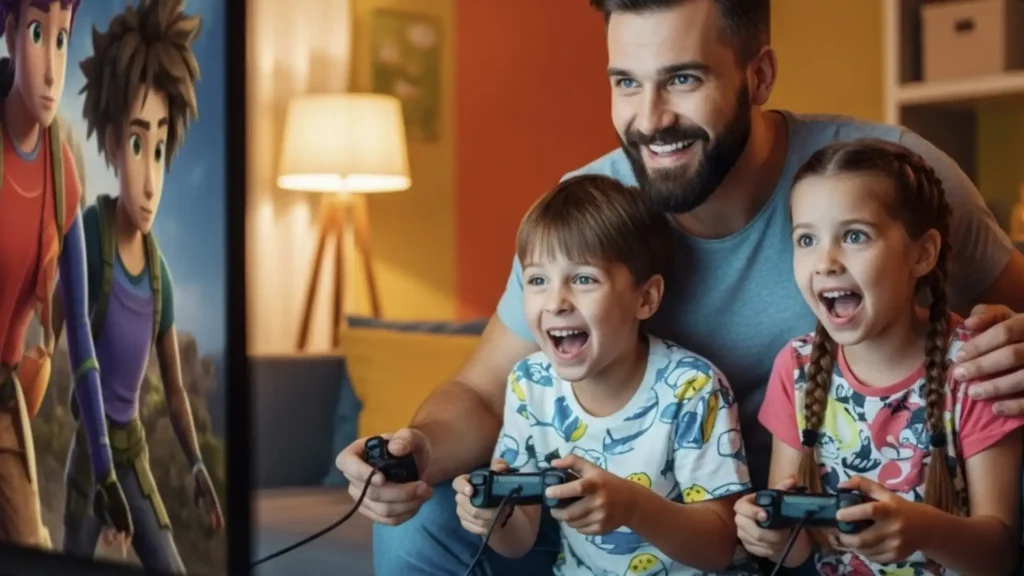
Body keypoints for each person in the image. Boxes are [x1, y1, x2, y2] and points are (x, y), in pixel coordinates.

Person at [335, 0, 1024, 573]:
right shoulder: (590, 209)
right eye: (627, 82)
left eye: (683, 79)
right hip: (609, 520)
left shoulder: (883, 178)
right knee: (416, 521)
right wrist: (414, 448)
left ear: (759, 76)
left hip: (785, 520)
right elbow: (483, 391)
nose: (650, 117)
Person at [734, 138, 1024, 574]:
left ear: (922, 253)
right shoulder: (796, 367)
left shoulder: (976, 364)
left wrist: (922, 530)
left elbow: (999, 556)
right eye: (806, 239)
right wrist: (769, 535)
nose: (826, 262)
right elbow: (797, 549)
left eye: (854, 236)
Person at [452, 174, 756, 575]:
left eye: (583, 279)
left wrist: (631, 505)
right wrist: (493, 518)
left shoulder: (692, 387)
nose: (556, 302)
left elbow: (719, 546)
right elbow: (519, 538)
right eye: (538, 280)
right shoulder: (530, 385)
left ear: (645, 298)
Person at [50, 0, 224, 571]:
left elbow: (174, 390)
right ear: (107, 139)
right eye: (134, 144)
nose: (150, 181)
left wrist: (197, 464)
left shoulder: (159, 274)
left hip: (134, 458)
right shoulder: (87, 236)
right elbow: (69, 342)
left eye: (159, 149)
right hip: (89, 459)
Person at [0, 0, 132, 549]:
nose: (53, 68)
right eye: (37, 32)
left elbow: (79, 328)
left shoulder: (65, 181)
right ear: (9, 33)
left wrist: (104, 468)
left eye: (61, 38)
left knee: (32, 544)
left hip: (4, 406)